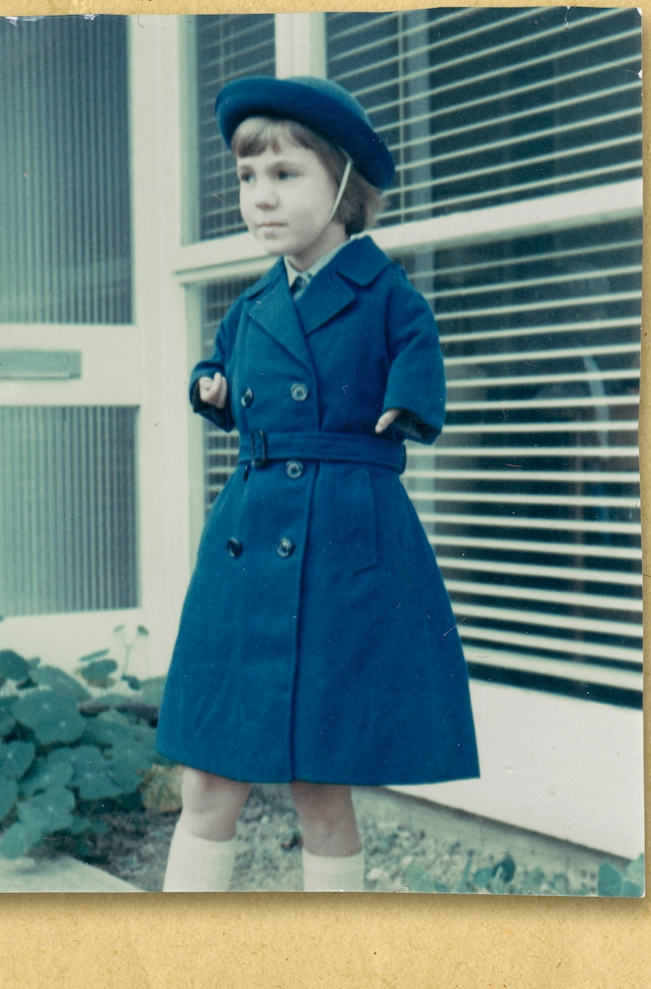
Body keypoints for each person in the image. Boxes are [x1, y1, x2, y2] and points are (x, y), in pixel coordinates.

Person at [155, 75, 479, 892]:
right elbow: (220, 361)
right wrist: (209, 386)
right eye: (246, 178)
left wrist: (408, 400)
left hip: (342, 546)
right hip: (247, 544)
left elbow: (419, 352)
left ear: (343, 186)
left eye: (285, 175)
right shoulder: (255, 301)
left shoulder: (385, 294)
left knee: (319, 785)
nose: (259, 198)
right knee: (207, 779)